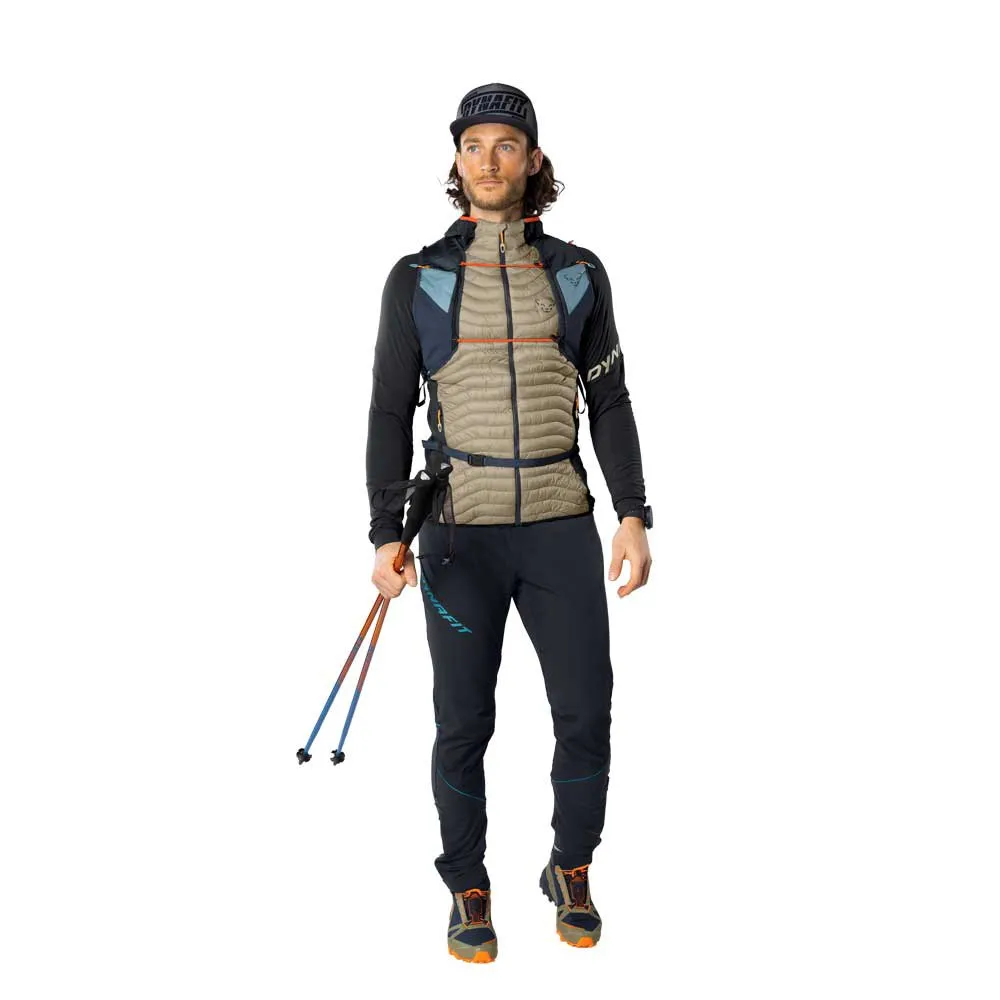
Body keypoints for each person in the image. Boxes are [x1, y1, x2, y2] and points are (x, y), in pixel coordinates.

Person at [365, 82, 653, 963]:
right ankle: (467, 884)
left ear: (533, 160)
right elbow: (388, 412)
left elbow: (610, 400)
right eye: (473, 146)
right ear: (457, 161)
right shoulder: (418, 278)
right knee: (463, 722)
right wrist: (385, 533)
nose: (488, 161)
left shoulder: (578, 272)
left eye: (506, 145)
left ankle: (571, 867)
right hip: (458, 535)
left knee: (587, 712)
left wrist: (633, 514)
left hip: (561, 527)